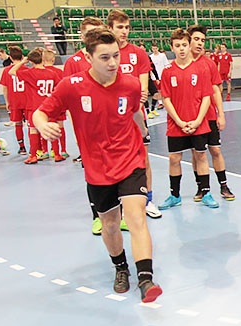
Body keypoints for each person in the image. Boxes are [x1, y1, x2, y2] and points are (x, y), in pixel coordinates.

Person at [33, 27, 162, 303]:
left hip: (130, 159)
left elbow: (134, 113)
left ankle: (146, 279)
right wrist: (43, 125)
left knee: (136, 217)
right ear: (88, 57)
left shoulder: (129, 85)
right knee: (111, 224)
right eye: (105, 58)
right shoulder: (72, 86)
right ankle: (121, 268)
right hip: (98, 168)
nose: (113, 63)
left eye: (115, 55)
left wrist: (143, 133)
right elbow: (40, 113)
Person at [107, 9, 162, 218]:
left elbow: (142, 90)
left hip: (135, 115)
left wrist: (135, 102)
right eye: (120, 27)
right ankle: (116, 205)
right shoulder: (108, 55)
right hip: (111, 119)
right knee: (113, 160)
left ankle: (147, 199)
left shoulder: (138, 53)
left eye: (127, 27)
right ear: (110, 28)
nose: (124, 31)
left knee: (143, 159)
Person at [157, 29, 216, 210]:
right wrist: (180, 122)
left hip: (198, 123)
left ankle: (205, 192)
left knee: (201, 156)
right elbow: (165, 99)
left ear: (189, 45)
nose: (182, 49)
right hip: (176, 124)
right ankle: (175, 195)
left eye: (184, 45)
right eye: (177, 45)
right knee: (174, 158)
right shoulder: (167, 72)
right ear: (171, 47)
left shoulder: (201, 69)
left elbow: (207, 96)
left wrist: (198, 121)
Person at [65, 17, 113, 234]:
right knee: (93, 174)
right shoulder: (74, 63)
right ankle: (97, 216)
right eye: (89, 32)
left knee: (116, 174)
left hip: (112, 128)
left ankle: (116, 215)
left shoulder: (110, 59)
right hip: (88, 131)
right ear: (82, 36)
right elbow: (66, 95)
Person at [189, 25, 235, 201]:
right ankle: (201, 188)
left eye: (202, 40)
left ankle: (224, 185)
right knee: (197, 153)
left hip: (209, 116)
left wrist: (221, 115)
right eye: (197, 39)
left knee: (215, 150)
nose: (200, 43)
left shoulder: (209, 64)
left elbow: (216, 90)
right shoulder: (183, 64)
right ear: (189, 40)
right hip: (193, 118)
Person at [10, 48, 63, 162]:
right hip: (49, 105)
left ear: (31, 61)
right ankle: (57, 154)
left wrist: (22, 62)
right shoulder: (52, 73)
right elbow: (58, 88)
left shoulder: (30, 73)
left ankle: (33, 155)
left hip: (35, 106)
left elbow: (12, 71)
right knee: (51, 129)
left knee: (33, 130)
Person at [0, 46, 28, 154]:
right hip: (26, 100)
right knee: (31, 125)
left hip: (14, 101)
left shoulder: (7, 70)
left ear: (10, 58)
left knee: (18, 124)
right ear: (22, 56)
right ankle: (37, 148)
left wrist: (7, 102)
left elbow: (5, 88)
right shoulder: (27, 70)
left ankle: (22, 147)